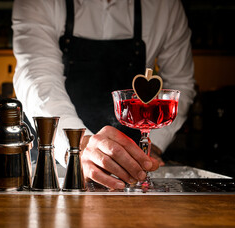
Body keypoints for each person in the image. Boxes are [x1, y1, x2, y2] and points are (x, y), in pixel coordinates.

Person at [11, 0, 196, 189]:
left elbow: (180, 83)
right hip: (61, 159)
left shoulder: (166, 5)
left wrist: (150, 146)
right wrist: (77, 148)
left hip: (134, 167)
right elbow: (37, 78)